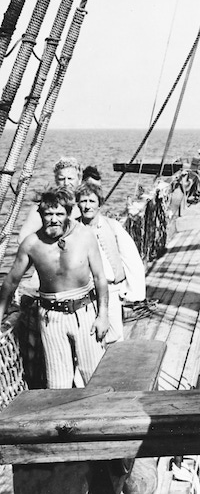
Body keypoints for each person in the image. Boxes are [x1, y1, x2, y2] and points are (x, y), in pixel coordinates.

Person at [0, 187, 109, 389]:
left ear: (68, 213)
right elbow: (11, 281)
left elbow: (100, 278)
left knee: (94, 376)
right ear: (40, 214)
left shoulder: (85, 236)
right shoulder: (31, 244)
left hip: (84, 313)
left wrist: (103, 316)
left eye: (59, 214)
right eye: (48, 214)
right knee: (58, 383)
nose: (54, 219)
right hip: (51, 318)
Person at [14, 157, 85, 388]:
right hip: (48, 285)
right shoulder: (46, 209)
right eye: (61, 178)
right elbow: (23, 238)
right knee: (56, 358)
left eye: (70, 178)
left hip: (78, 289)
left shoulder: (78, 205)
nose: (66, 182)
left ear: (79, 179)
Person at [76, 181, 146, 344]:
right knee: (88, 336)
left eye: (92, 201)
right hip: (84, 292)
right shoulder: (73, 229)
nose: (87, 206)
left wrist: (132, 293)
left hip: (111, 290)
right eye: (83, 201)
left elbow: (131, 259)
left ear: (99, 204)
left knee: (114, 336)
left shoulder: (112, 226)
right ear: (77, 203)